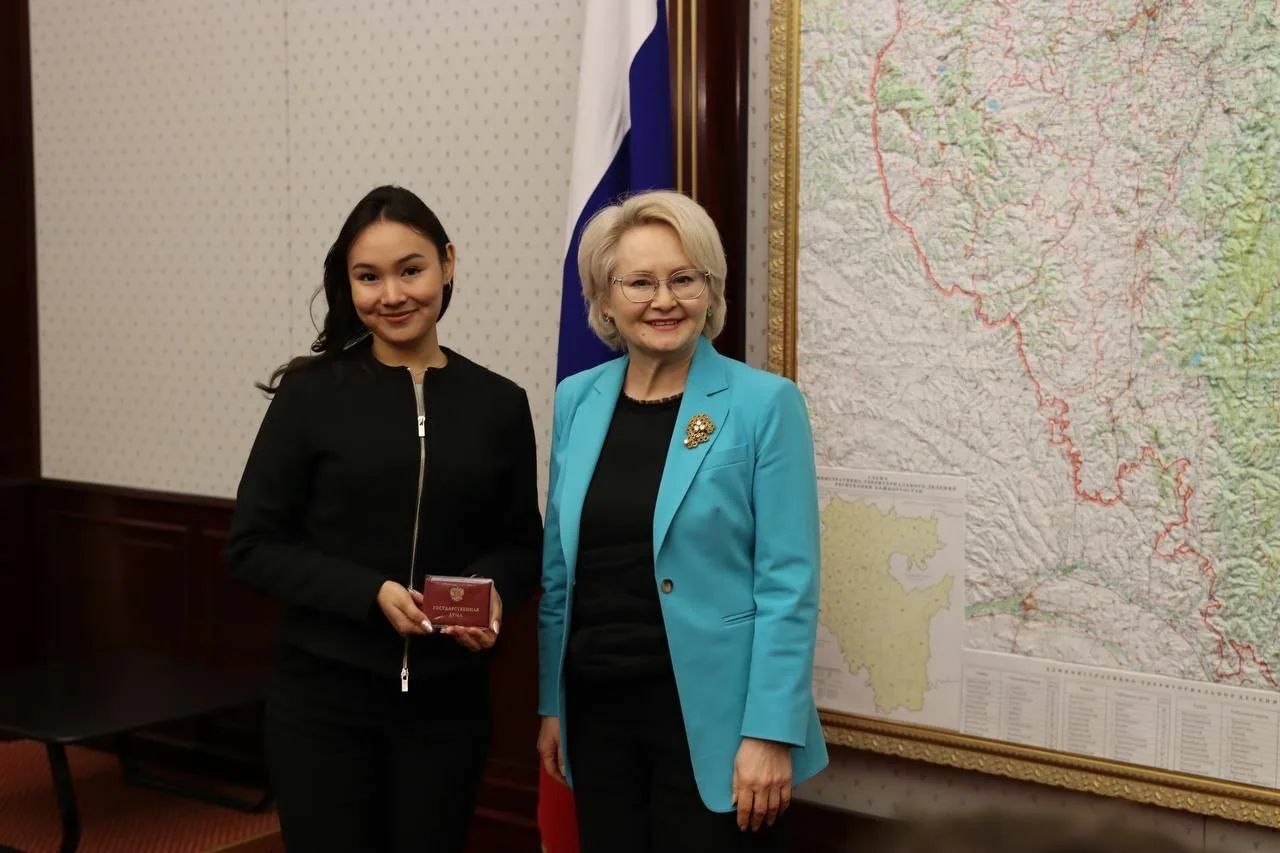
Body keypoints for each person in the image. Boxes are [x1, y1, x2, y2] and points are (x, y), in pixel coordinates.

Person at [227, 185, 541, 853]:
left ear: (447, 263)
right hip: (322, 703)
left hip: (446, 707)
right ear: (348, 283)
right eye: (368, 276)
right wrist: (368, 593)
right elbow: (251, 546)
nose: (392, 294)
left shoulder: (499, 404)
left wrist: (488, 595)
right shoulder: (312, 395)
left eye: (411, 269)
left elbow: (521, 544)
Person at [536, 190, 828, 852]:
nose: (663, 299)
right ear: (605, 298)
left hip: (715, 723)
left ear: (709, 290)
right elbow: (560, 571)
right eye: (640, 281)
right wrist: (552, 705)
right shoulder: (578, 400)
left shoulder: (764, 405)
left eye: (684, 278)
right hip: (597, 713)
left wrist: (770, 731)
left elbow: (789, 580)